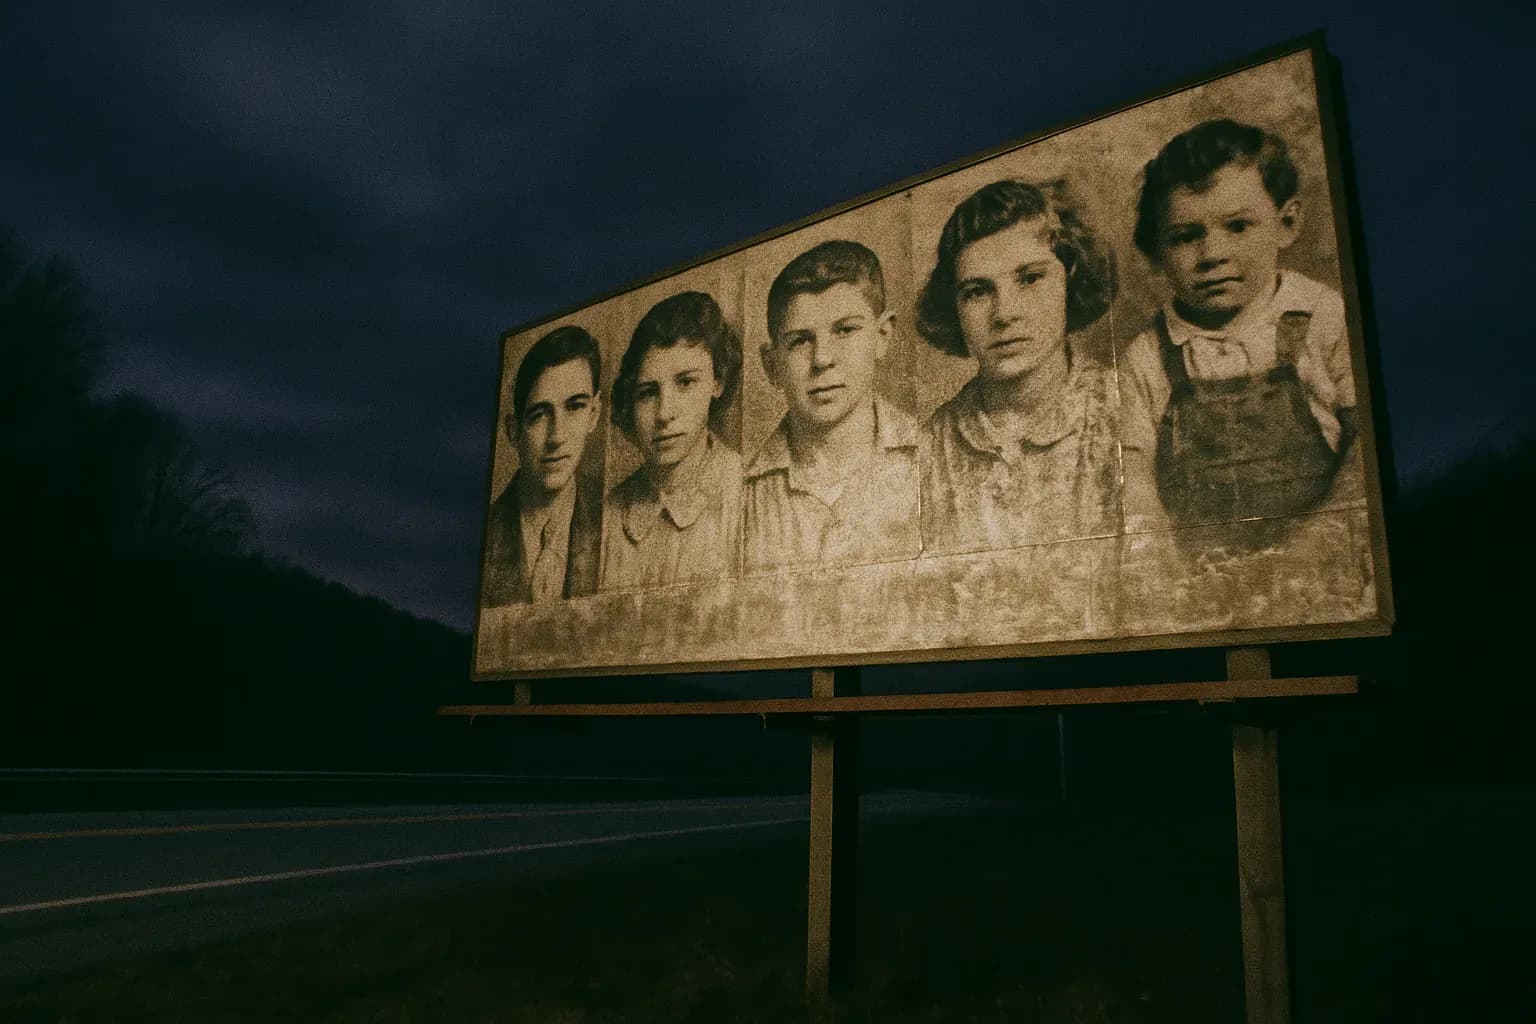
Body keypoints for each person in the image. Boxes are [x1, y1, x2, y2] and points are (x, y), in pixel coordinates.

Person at [1120, 118, 1359, 532]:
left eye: (1237, 226)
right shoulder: (1146, 357)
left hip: (1319, 548)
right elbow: (1134, 475)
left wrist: (1325, 536)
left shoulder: (1324, 316)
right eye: (1185, 236)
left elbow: (1363, 443)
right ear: (1157, 251)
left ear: (1286, 224)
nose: (1212, 253)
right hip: (1205, 565)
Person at [915, 178, 1120, 555]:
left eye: (1029, 279)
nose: (1004, 314)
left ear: (1070, 279)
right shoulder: (928, 449)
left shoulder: (1124, 409)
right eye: (976, 292)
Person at [742, 239, 920, 574]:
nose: (822, 359)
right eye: (799, 341)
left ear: (882, 335)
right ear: (771, 364)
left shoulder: (932, 453)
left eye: (845, 330)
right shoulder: (738, 495)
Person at [601, 290, 743, 588]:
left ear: (717, 381)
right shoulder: (610, 511)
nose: (664, 413)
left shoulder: (745, 490)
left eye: (686, 382)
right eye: (648, 393)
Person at [481, 325, 603, 607]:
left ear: (594, 414)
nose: (557, 437)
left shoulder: (611, 516)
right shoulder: (490, 532)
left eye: (575, 407)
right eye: (539, 415)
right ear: (514, 431)